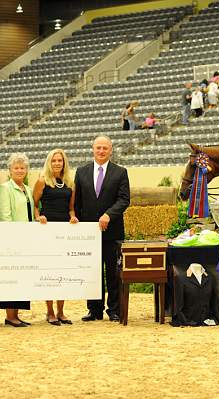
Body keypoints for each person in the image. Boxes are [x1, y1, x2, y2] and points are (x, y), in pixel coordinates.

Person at [73, 135, 130, 322]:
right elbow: (78, 202)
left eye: (105, 148)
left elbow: (124, 200)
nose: (101, 151)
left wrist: (108, 215)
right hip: (89, 234)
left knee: (113, 272)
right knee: (92, 272)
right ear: (93, 149)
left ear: (111, 150)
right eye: (98, 147)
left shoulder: (120, 172)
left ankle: (114, 310)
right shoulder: (81, 172)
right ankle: (94, 310)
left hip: (112, 232)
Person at [33, 149, 78, 326]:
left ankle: (61, 311)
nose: (57, 163)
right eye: (54, 161)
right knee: (49, 272)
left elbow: (71, 208)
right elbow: (35, 205)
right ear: (49, 163)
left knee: (63, 271)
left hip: (65, 232)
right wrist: (38, 217)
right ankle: (50, 311)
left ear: (64, 163)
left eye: (60, 160)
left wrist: (73, 217)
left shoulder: (69, 183)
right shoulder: (42, 181)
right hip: (47, 230)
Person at [0, 153, 34, 327]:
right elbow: (5, 216)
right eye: (16, 168)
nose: (20, 170)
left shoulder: (27, 189)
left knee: (22, 277)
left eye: (22, 168)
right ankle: (10, 316)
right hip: (12, 240)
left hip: (27, 240)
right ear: (10, 170)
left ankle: (16, 315)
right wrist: (13, 239)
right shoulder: (5, 188)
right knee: (11, 277)